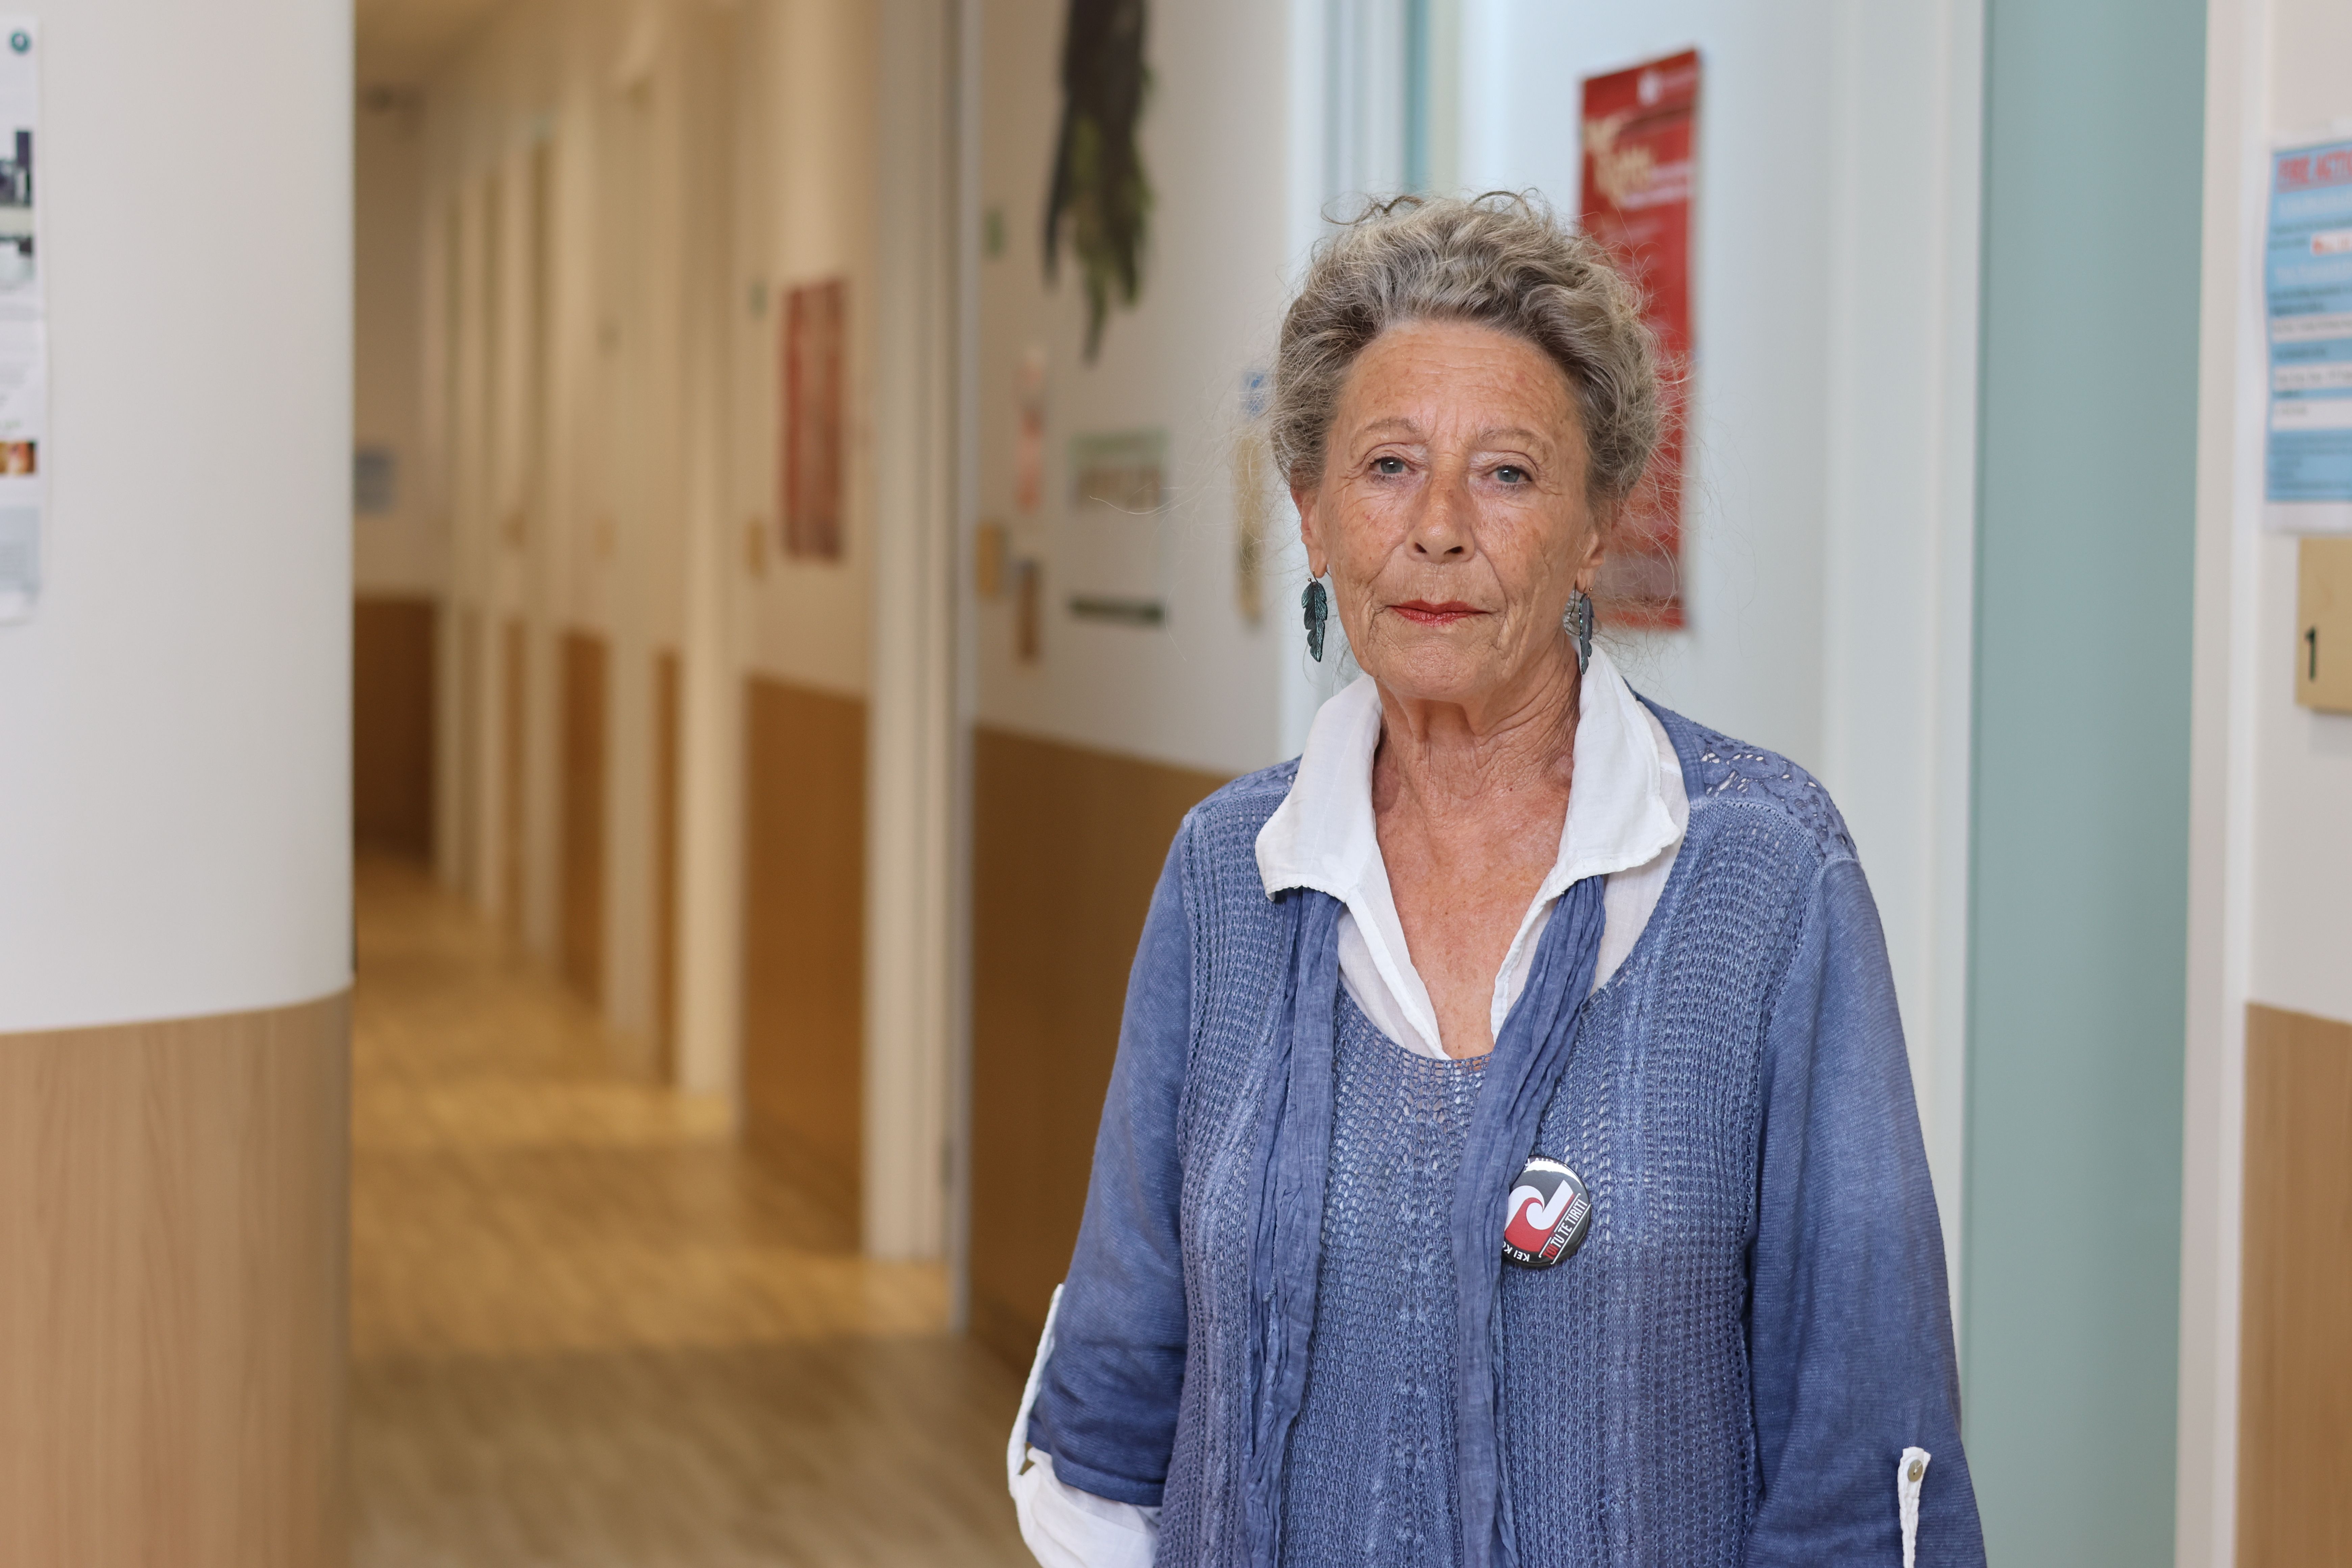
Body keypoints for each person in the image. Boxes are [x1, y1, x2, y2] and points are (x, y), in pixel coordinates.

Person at [1006, 194, 1985, 1568]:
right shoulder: (1227, 875)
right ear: (1313, 514)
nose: (1442, 528)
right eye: (1389, 464)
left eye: (1510, 473)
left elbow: (1865, 1451)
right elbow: (1107, 1415)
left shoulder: (1767, 874)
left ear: (1595, 526)